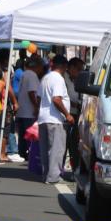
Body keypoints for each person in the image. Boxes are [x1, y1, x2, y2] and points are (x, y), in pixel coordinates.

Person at [38, 55, 73, 184]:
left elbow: (38, 98)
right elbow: (56, 99)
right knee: (57, 149)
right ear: (64, 66)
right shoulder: (58, 79)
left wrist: (41, 110)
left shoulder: (45, 78)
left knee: (46, 149)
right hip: (55, 119)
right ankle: (54, 177)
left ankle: (47, 175)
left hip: (44, 117)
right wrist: (67, 115)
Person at [15, 56, 44, 160]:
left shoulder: (24, 74)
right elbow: (32, 92)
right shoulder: (32, 75)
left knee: (23, 135)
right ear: (37, 66)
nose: (41, 70)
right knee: (30, 135)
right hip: (29, 111)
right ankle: (29, 154)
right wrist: (36, 107)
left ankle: (23, 153)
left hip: (22, 110)